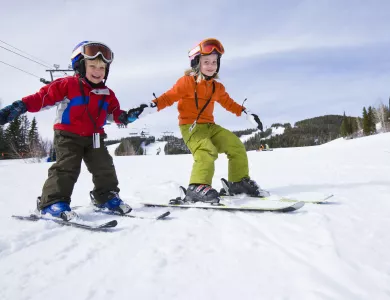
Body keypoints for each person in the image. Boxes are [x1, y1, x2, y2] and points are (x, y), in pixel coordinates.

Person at [0, 41, 147, 220]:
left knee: (104, 166)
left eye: (102, 67)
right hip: (68, 134)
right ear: (79, 66)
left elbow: (113, 113)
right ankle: (51, 202)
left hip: (95, 136)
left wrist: (125, 117)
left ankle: (105, 196)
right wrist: (20, 106)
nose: (98, 71)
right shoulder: (67, 84)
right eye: (92, 66)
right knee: (67, 167)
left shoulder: (108, 93)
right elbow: (41, 98)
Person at [147, 38, 266, 203]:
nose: (211, 65)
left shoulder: (217, 87)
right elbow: (168, 97)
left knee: (235, 145)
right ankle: (197, 186)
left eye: (214, 62)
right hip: (191, 127)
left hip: (210, 126)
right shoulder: (186, 82)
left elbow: (228, 103)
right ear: (197, 63)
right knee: (207, 150)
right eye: (206, 62)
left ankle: (238, 182)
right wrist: (149, 107)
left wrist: (245, 113)